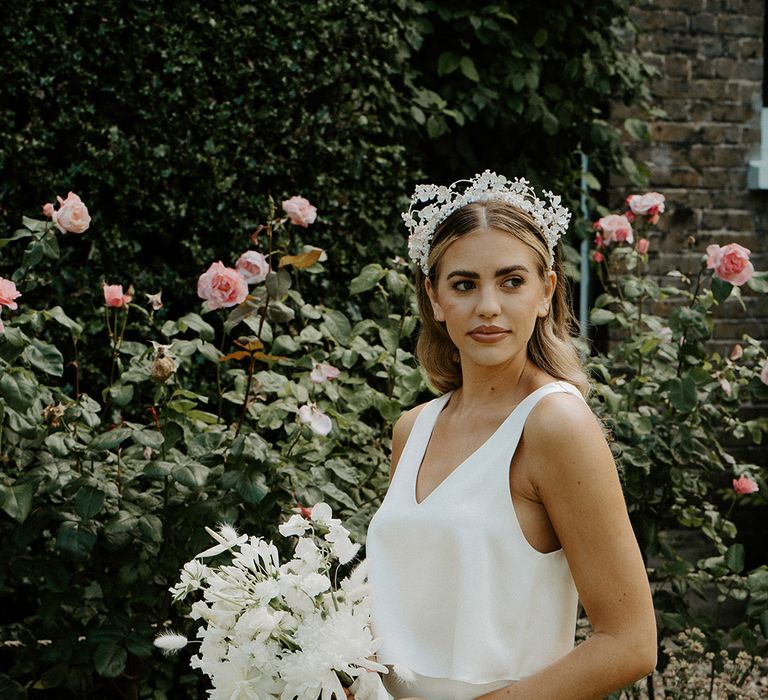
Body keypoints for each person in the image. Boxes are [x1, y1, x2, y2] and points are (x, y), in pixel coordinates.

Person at [351, 171, 657, 700]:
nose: (488, 306)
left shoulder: (555, 425)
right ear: (435, 297)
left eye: (511, 281)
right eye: (464, 284)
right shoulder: (413, 429)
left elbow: (630, 643)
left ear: (546, 292)